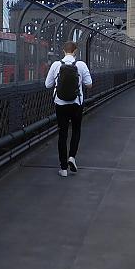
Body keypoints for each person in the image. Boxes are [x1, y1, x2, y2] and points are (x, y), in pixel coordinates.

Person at [45, 41, 93, 177]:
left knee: (62, 133)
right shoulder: (81, 65)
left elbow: (47, 85)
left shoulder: (56, 65)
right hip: (77, 103)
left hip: (60, 104)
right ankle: (72, 157)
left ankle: (63, 168)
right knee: (76, 130)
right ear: (75, 51)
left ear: (63, 51)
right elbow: (89, 84)